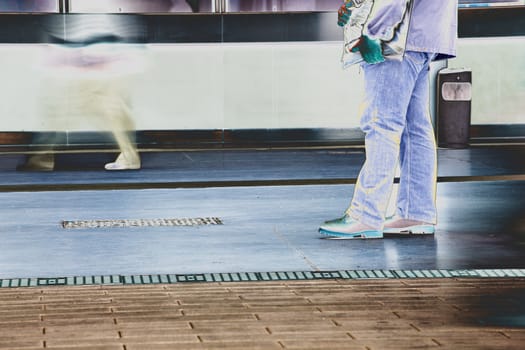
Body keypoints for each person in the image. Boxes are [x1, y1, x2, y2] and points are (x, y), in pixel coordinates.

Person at [319, 0, 458, 239]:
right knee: (415, 127)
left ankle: (365, 214)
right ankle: (417, 212)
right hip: (425, 36)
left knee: (381, 123)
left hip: (398, 37)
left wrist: (373, 31)